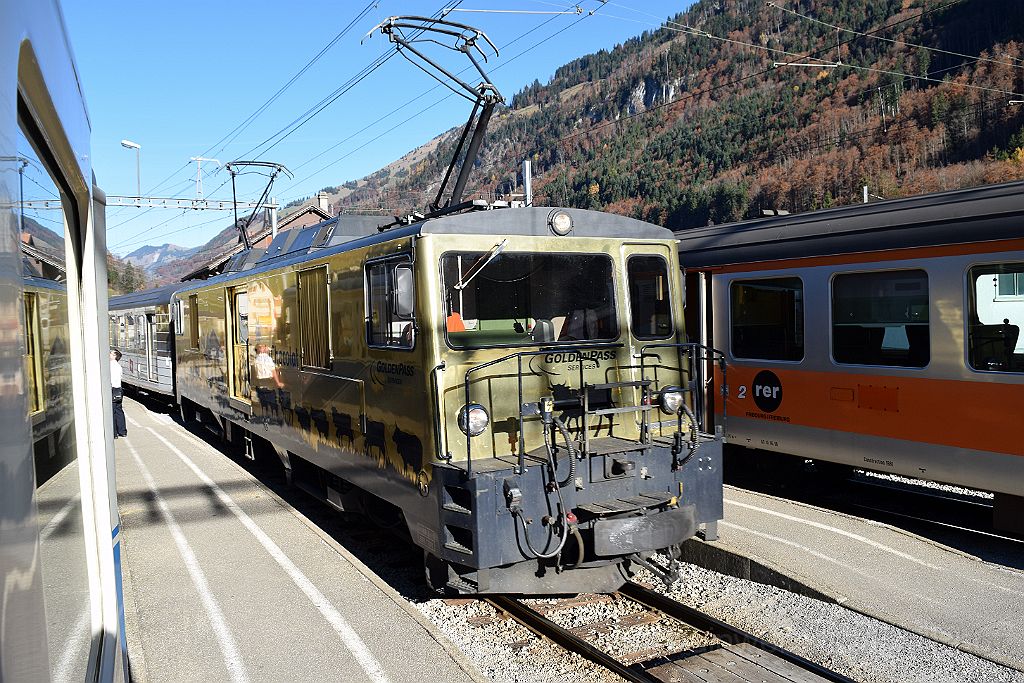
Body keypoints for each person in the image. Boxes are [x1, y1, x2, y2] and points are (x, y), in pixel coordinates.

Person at [110, 349, 127, 438]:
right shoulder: (119, 367)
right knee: (119, 410)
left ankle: (114, 433)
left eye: (111, 353)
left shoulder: (109, 366)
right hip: (119, 390)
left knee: (112, 411)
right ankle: (122, 431)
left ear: (114, 356)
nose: (109, 354)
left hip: (112, 389)